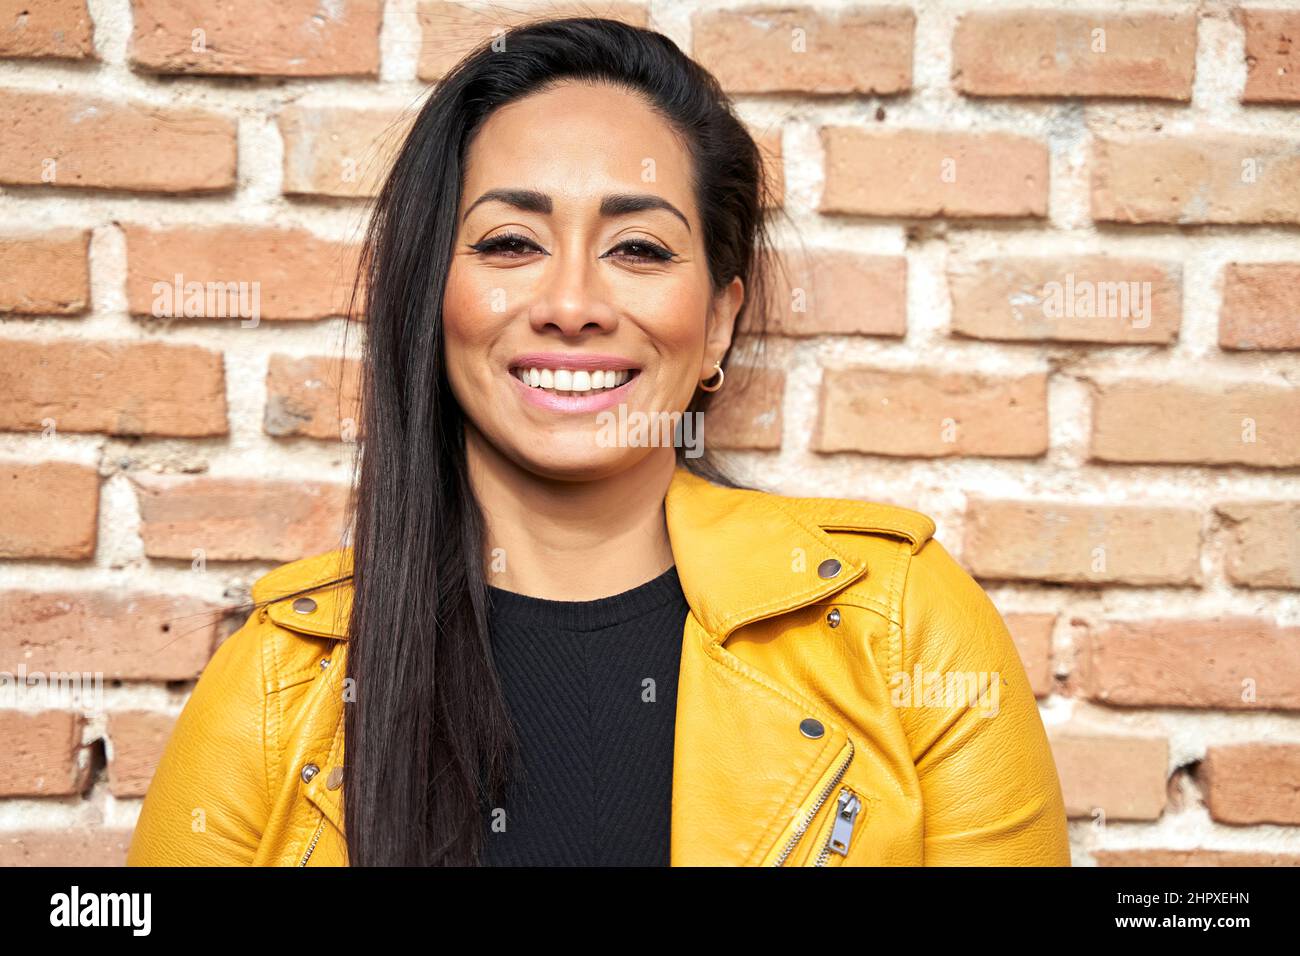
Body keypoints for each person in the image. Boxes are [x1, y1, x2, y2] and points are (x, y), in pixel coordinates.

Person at [126, 16, 1070, 867]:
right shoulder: (277, 679)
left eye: (640, 250)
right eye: (508, 244)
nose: (572, 305)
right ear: (430, 299)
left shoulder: (901, 624)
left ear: (717, 324)